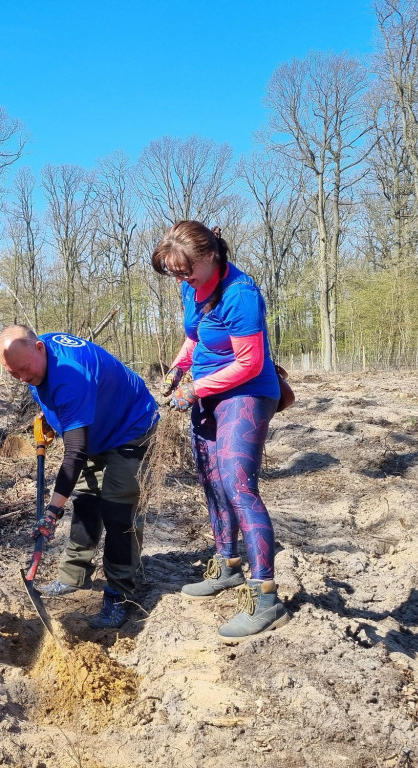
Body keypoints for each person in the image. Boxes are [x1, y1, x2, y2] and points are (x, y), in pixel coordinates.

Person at [151, 220, 290, 642]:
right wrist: (177, 369)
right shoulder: (191, 287)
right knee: (211, 480)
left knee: (237, 484)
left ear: (211, 256)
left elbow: (249, 362)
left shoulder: (240, 294)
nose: (182, 280)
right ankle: (227, 565)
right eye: (175, 274)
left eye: (186, 271)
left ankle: (266, 598)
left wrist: (196, 388)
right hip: (207, 391)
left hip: (246, 393)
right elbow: (195, 338)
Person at [0, 325, 159, 629]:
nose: (22, 378)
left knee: (118, 510)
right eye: (13, 373)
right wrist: (51, 417)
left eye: (24, 369)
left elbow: (75, 453)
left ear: (39, 349)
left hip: (130, 426)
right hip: (96, 427)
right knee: (85, 501)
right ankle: (73, 575)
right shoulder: (35, 355)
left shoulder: (70, 374)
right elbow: (55, 396)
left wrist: (52, 512)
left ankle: (119, 593)